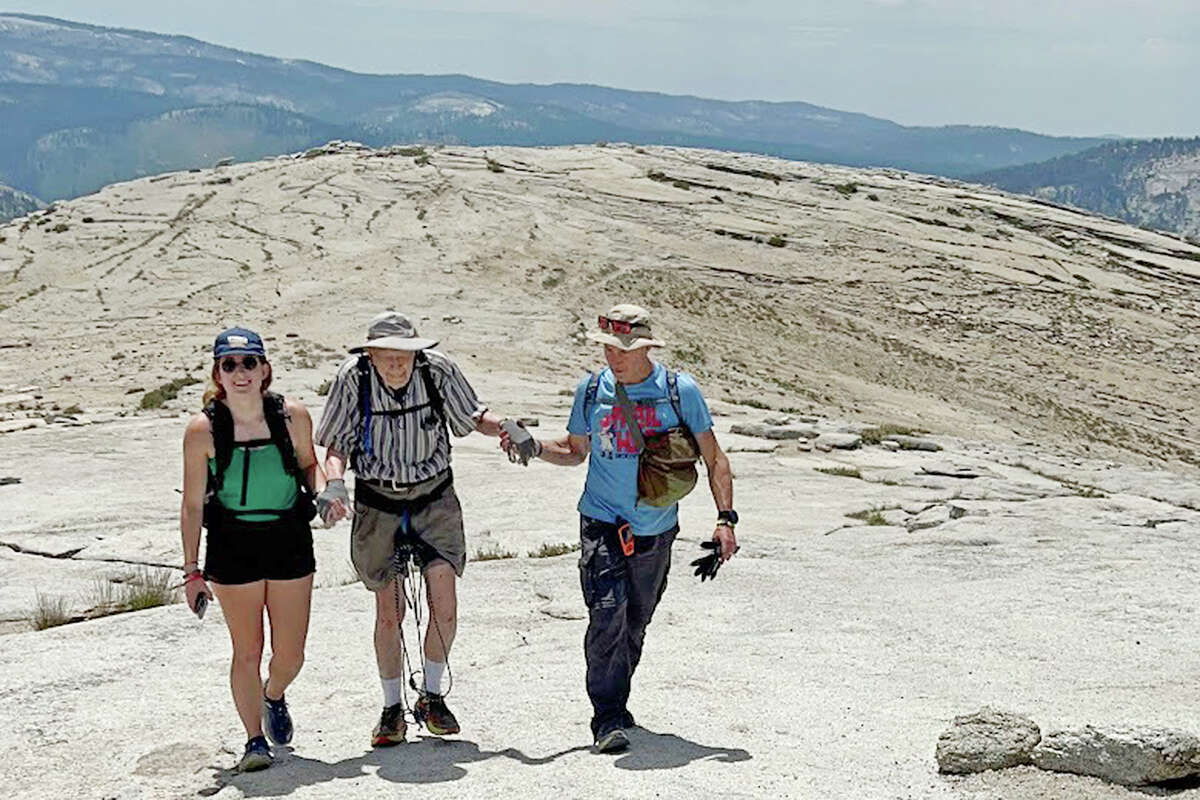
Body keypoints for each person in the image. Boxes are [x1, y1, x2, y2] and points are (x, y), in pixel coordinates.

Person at [500, 304, 738, 754]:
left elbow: (714, 459)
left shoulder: (677, 390)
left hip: (656, 527)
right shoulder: (590, 391)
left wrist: (725, 518)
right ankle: (606, 715)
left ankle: (618, 700)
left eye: (624, 349)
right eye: (608, 347)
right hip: (602, 522)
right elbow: (574, 452)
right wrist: (532, 446)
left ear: (647, 346)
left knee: (635, 620)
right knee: (606, 614)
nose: (614, 357)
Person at [314, 310, 523, 747]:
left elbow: (473, 416)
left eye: (404, 356)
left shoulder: (437, 370)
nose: (396, 365)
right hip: (379, 501)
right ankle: (391, 708)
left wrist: (505, 427)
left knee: (443, 604)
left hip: (434, 500)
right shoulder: (353, 379)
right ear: (369, 355)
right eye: (386, 357)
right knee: (390, 612)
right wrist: (334, 484)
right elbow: (336, 443)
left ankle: (432, 696)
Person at [180, 327, 346, 772]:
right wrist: (191, 570)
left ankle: (274, 694)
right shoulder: (203, 430)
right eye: (229, 365)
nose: (240, 372)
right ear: (218, 372)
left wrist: (326, 493)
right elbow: (193, 502)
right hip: (233, 543)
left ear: (264, 369)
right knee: (247, 649)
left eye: (248, 363)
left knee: (290, 655)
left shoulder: (292, 416)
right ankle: (254, 740)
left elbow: (309, 464)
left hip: (288, 537)